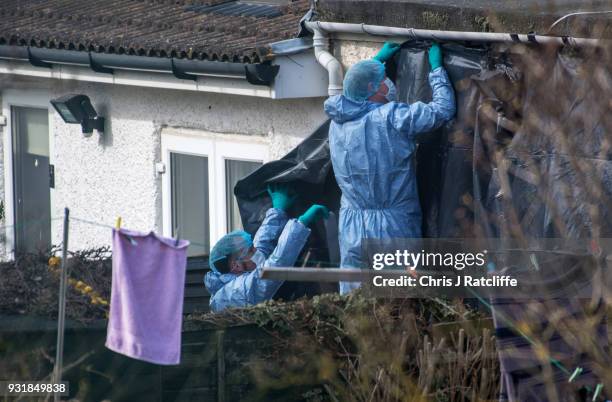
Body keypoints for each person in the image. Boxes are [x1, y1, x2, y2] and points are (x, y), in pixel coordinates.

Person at [324, 42, 456, 294]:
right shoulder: (391, 117)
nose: (388, 83)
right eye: (384, 79)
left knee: (352, 302)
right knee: (399, 300)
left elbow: (357, 94)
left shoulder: (337, 122)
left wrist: (376, 61)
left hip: (352, 223)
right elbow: (442, 110)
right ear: (374, 88)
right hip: (392, 227)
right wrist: (437, 69)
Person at [204, 184, 329, 312]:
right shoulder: (230, 295)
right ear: (236, 266)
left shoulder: (241, 270)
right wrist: (301, 224)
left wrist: (277, 210)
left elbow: (262, 242)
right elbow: (275, 266)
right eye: (252, 251)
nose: (257, 251)